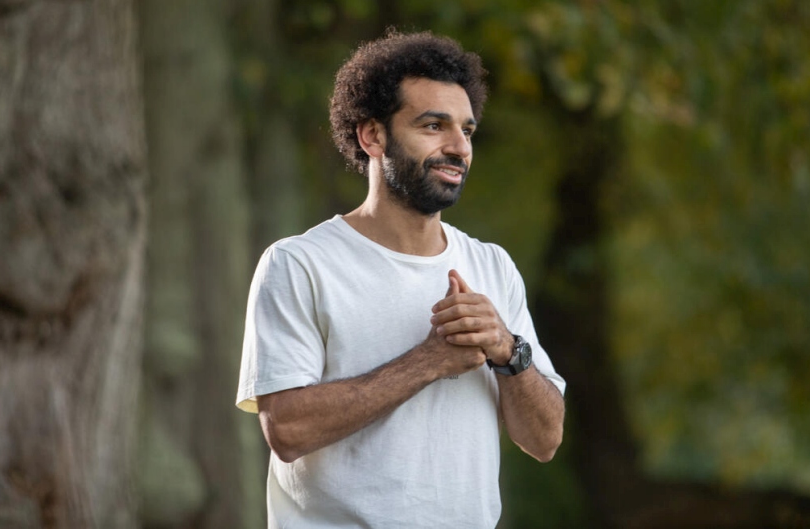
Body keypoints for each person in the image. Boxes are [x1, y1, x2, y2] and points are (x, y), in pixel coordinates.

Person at [236, 30, 565, 528]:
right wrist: (429, 361)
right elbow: (287, 429)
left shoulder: (492, 266)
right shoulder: (299, 264)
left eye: (467, 131)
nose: (458, 147)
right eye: (434, 126)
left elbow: (545, 440)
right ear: (373, 135)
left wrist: (507, 349)